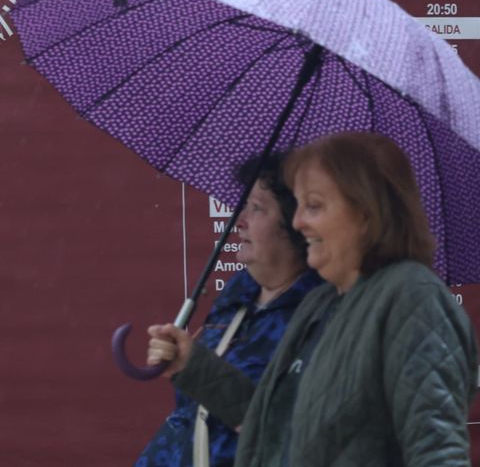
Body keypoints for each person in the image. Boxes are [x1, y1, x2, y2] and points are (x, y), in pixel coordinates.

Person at [148, 133, 478, 466]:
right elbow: (271, 425)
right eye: (300, 206)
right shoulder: (320, 305)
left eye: (315, 205)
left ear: (365, 212)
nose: (298, 222)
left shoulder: (411, 297)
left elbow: (436, 452)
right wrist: (193, 366)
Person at [134, 154, 322, 467]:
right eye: (243, 205)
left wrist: (195, 368)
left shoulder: (318, 316)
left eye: (257, 208)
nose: (240, 220)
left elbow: (284, 431)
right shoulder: (234, 302)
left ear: (296, 224)